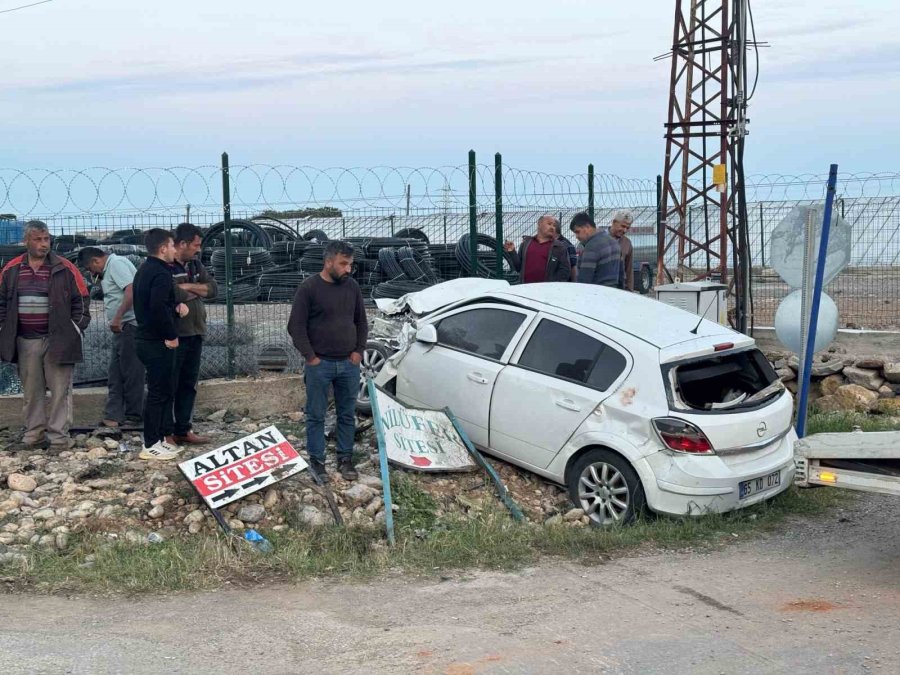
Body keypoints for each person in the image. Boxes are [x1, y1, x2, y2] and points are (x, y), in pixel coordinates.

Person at [0, 221, 90, 452]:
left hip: (58, 341)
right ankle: (33, 437)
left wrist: (75, 329)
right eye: (38, 240)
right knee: (32, 392)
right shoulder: (11, 269)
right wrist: (5, 329)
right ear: (26, 241)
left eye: (46, 239)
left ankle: (59, 439)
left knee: (60, 391)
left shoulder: (65, 267)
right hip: (25, 341)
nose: (44, 244)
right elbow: (1, 303)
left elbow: (82, 300)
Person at [288, 240, 368, 482]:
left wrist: (358, 351)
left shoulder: (352, 287)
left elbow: (361, 322)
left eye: (350, 265)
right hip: (319, 365)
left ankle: (345, 459)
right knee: (316, 414)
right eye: (343, 264)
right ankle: (317, 461)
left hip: (348, 364)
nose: (348, 269)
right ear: (328, 262)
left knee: (346, 413)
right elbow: (295, 326)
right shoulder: (309, 288)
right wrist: (310, 357)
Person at [133, 229, 189, 461]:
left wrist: (174, 307)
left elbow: (155, 302)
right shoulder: (160, 273)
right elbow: (156, 307)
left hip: (146, 338)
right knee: (157, 392)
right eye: (172, 246)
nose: (175, 250)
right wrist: (170, 334)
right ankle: (150, 443)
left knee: (163, 390)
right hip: (155, 341)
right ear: (163, 248)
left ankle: (158, 439)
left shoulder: (146, 269)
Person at [78, 247, 144, 429]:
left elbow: (131, 289)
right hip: (121, 328)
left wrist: (118, 317)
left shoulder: (116, 264)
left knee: (132, 372)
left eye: (91, 270)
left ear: (95, 261)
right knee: (115, 372)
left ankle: (134, 415)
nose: (93, 274)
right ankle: (113, 415)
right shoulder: (111, 268)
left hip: (129, 325)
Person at [167, 222, 217, 447]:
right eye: (196, 245)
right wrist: (191, 289)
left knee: (188, 384)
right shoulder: (165, 266)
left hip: (196, 332)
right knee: (169, 384)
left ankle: (183, 429)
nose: (199, 249)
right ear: (182, 244)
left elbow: (213, 289)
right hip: (174, 335)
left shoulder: (195, 265)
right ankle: (165, 431)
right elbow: (169, 293)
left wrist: (187, 288)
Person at [503, 215, 571, 283]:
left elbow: (565, 272)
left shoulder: (559, 247)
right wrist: (512, 252)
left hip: (547, 290)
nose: (552, 227)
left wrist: (552, 286)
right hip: (525, 289)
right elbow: (518, 267)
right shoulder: (525, 244)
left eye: (554, 225)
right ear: (539, 224)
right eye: (549, 224)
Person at [569, 212, 625, 289]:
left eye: (577, 232)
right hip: (613, 292)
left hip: (597, 294)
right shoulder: (614, 243)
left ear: (587, 226)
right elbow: (621, 275)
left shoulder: (591, 246)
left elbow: (584, 280)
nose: (577, 236)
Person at [609, 209, 635, 292]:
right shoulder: (599, 238)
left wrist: (629, 291)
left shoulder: (627, 243)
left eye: (627, 228)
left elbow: (629, 270)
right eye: (623, 226)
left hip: (618, 289)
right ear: (614, 222)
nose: (625, 230)